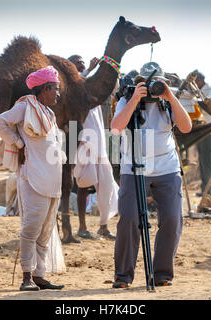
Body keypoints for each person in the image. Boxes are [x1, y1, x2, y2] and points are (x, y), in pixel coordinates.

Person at [110, 61, 192, 288]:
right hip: (133, 168)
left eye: (157, 84)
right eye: (148, 84)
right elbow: (116, 129)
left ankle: (162, 273)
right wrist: (135, 99)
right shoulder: (128, 98)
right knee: (129, 219)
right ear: (140, 83)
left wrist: (170, 97)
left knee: (172, 220)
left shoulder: (167, 102)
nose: (153, 89)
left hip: (167, 168)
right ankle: (123, 276)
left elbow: (186, 127)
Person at [0, 66, 65, 291]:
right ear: (45, 89)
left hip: (52, 179)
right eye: (56, 89)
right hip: (32, 177)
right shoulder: (25, 106)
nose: (58, 94)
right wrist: (17, 142)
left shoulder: (49, 113)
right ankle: (26, 278)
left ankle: (39, 275)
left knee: (45, 230)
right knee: (31, 228)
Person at [68, 54, 119, 240]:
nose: (81, 65)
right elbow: (79, 83)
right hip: (83, 142)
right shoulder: (73, 89)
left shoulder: (92, 90)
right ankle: (81, 227)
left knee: (106, 185)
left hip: (99, 143)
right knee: (84, 185)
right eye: (77, 63)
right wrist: (89, 69)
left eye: (82, 63)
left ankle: (103, 226)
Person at [195, 72, 211, 196]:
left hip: (209, 131)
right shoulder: (198, 91)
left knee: (208, 163)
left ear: (200, 80)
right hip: (201, 130)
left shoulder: (210, 90)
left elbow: (209, 107)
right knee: (203, 163)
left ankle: (209, 191)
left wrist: (196, 102)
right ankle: (205, 189)